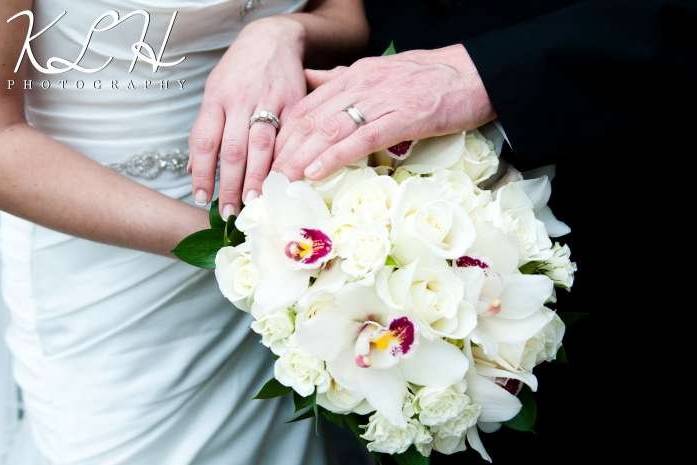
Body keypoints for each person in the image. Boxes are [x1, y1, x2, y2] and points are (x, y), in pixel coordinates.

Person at [0, 1, 368, 464]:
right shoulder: (251, 250)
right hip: (112, 266)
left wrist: (282, 31)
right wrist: (236, 249)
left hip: (284, 233)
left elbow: (346, 15)